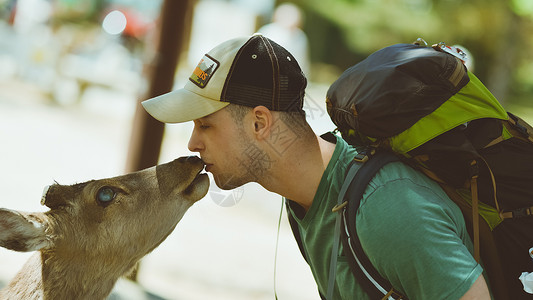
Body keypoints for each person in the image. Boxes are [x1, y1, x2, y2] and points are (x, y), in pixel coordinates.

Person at [141, 34, 491, 299]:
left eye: (205, 125)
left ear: (259, 123)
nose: (192, 144)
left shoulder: (385, 207)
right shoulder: (302, 196)